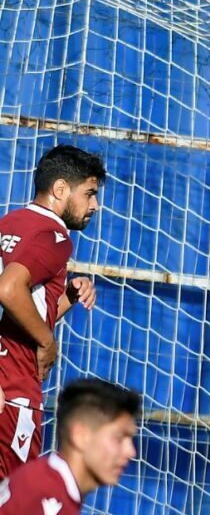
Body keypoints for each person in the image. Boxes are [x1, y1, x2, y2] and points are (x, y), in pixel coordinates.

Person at [0, 145, 105, 476]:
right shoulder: (54, 236)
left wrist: (68, 297)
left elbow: (20, 310)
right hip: (14, 391)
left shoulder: (10, 223)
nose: (95, 205)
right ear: (60, 189)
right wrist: (47, 342)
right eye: (89, 194)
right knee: (15, 495)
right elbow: (8, 290)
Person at [0, 378, 140, 514]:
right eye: (118, 439)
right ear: (80, 436)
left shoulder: (42, 481)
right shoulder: (46, 498)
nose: (131, 452)